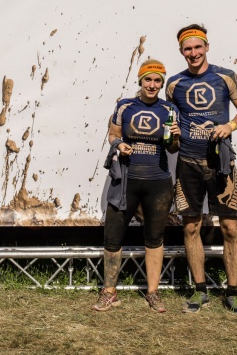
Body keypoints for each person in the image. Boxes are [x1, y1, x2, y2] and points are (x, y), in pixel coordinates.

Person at [166, 24, 237, 313]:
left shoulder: (226, 76)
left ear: (206, 47)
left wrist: (230, 125)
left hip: (221, 164)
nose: (193, 53)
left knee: (230, 227)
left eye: (197, 47)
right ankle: (200, 290)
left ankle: (232, 292)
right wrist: (173, 138)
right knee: (191, 226)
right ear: (182, 52)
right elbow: (171, 131)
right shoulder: (174, 85)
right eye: (188, 49)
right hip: (188, 163)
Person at [92, 59, 181, 313]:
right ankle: (109, 292)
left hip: (158, 182)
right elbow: (113, 134)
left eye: (157, 81)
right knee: (112, 236)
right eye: (148, 80)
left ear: (161, 84)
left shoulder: (169, 110)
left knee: (154, 237)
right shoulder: (125, 105)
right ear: (140, 81)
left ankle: (153, 292)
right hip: (125, 181)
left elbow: (173, 148)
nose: (152, 85)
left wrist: (175, 137)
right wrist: (119, 144)